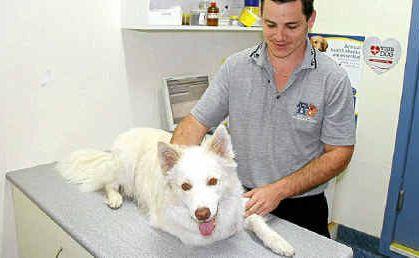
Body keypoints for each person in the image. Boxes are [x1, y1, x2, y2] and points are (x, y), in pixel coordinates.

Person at [170, 0, 355, 238]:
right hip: (242, 201)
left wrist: (279, 190)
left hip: (303, 207)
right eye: (270, 24)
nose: (279, 36)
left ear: (310, 20)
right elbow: (195, 123)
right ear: (260, 16)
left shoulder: (333, 78)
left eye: (291, 26)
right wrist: (174, 172)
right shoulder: (236, 67)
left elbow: (340, 153)